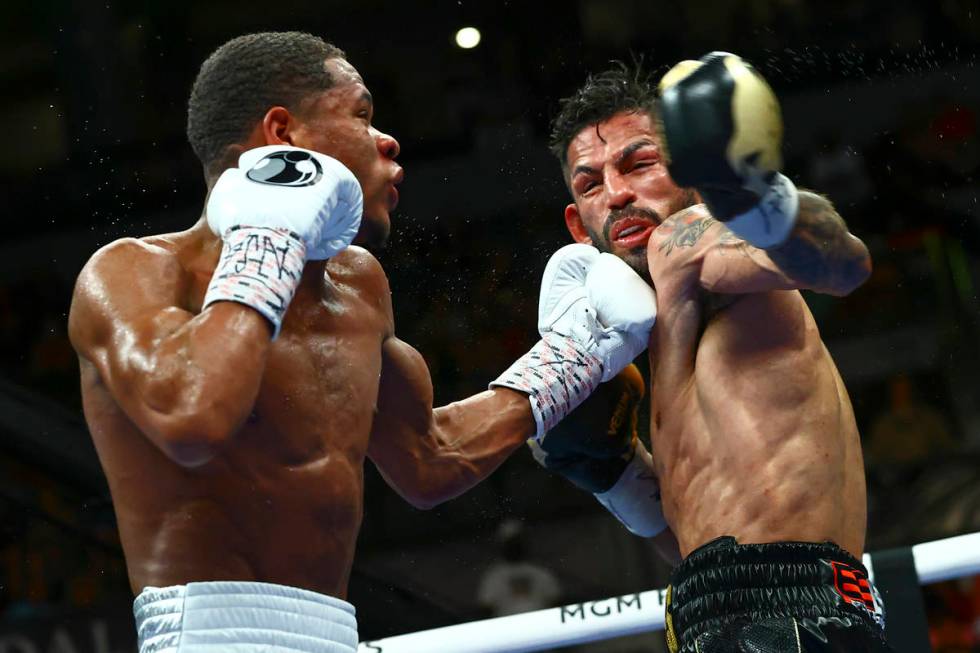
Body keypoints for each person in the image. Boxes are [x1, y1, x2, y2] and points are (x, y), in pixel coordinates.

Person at [66, 32, 658, 652]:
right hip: (208, 634)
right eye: (361, 114)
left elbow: (431, 460)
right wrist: (268, 237)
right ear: (282, 133)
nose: (389, 140)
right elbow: (191, 415)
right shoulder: (132, 274)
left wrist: (578, 352)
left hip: (335, 632)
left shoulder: (358, 285)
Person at [535, 54, 893, 652]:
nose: (618, 194)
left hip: (792, 613)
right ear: (578, 225)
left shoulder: (693, 240)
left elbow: (841, 263)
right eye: (591, 183)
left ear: (692, 173)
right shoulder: (647, 317)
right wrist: (617, 475)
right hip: (715, 609)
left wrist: (750, 194)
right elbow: (702, 543)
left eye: (639, 163)